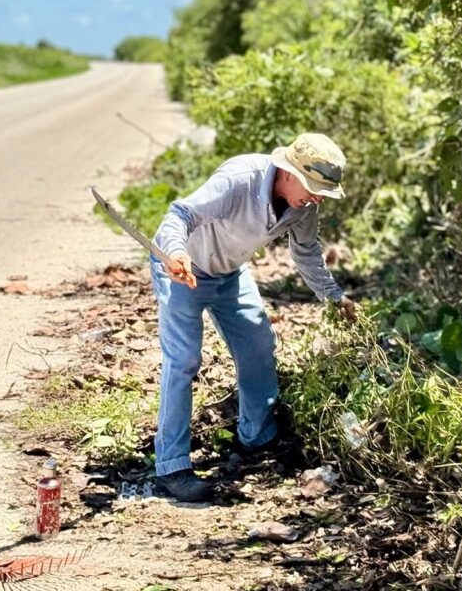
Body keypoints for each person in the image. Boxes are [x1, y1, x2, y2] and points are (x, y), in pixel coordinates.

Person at [150, 132, 357, 502]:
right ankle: (172, 466)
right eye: (312, 187)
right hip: (183, 269)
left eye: (322, 192)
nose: (315, 198)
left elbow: (307, 253)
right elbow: (179, 214)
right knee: (183, 361)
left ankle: (256, 438)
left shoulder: (304, 206)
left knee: (259, 347)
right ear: (288, 171)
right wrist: (176, 254)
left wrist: (334, 297)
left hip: (230, 273)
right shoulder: (240, 178)